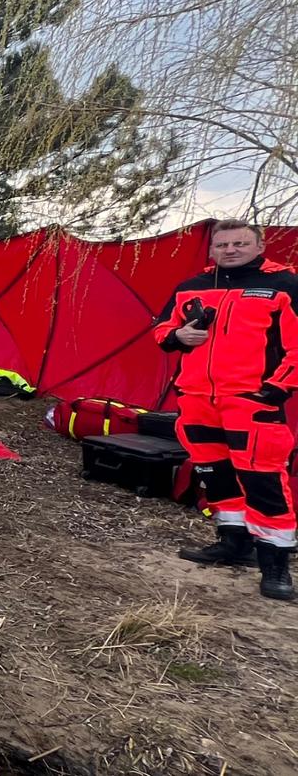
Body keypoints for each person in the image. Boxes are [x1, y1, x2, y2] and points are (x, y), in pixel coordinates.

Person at [153, 219, 296, 601]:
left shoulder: (284, 286)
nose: (230, 250)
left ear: (259, 245)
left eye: (239, 243)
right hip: (198, 398)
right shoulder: (192, 287)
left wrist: (273, 391)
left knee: (264, 481)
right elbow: (162, 329)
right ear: (212, 249)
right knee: (214, 475)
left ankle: (276, 564)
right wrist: (177, 336)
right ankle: (233, 543)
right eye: (222, 244)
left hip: (249, 402)